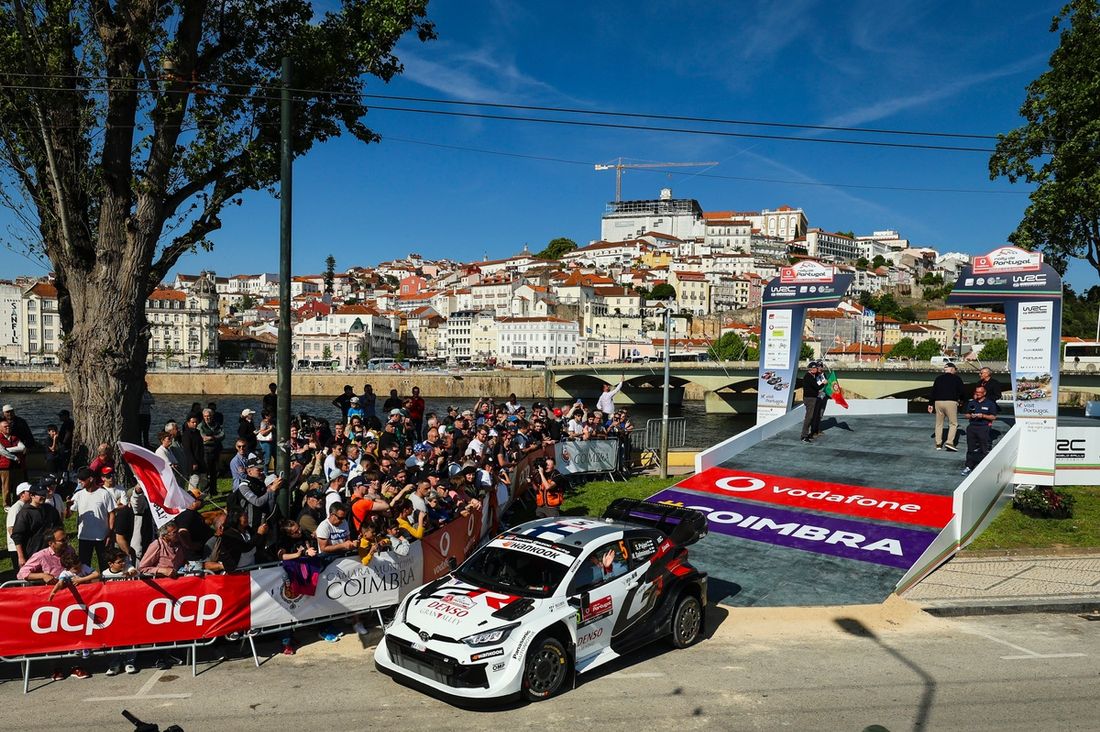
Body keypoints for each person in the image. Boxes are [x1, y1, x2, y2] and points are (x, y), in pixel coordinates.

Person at [70, 467, 115, 570]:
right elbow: (68, 515)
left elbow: (111, 513)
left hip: (102, 537)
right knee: (84, 567)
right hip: (84, 537)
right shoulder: (78, 495)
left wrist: (110, 532)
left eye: (82, 480)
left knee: (105, 565)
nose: (80, 482)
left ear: (90, 479)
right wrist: (68, 507)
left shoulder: (104, 494)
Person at [12, 482, 63, 566]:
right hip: (32, 555)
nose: (43, 497)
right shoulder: (25, 513)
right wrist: (21, 557)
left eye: (44, 494)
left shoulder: (51, 510)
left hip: (51, 553)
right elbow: (17, 536)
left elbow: (59, 528)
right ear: (32, 495)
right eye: (40, 495)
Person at [961, 385, 999, 476]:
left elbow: (993, 417)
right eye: (976, 392)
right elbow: (966, 415)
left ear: (984, 393)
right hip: (972, 427)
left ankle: (983, 467)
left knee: (984, 448)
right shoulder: (972, 402)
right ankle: (969, 466)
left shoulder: (990, 403)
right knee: (970, 448)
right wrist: (971, 416)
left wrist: (983, 416)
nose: (977, 394)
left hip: (983, 427)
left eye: (979, 392)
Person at [927, 362, 965, 451]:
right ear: (952, 369)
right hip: (951, 402)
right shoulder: (957, 378)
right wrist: (962, 400)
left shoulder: (938, 379)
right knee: (953, 423)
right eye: (955, 369)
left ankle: (938, 444)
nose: (956, 371)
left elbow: (933, 391)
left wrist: (930, 404)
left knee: (939, 423)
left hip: (938, 402)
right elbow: (962, 391)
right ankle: (949, 442)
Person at [0, 417, 27, 507]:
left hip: (17, 466)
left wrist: (7, 449)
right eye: (5, 426)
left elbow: (22, 448)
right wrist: (14, 457)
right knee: (6, 487)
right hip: (5, 467)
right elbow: (1, 451)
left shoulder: (15, 438)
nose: (8, 428)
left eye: (9, 426)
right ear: (0, 429)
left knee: (18, 486)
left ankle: (17, 503)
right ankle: (6, 505)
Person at [199, 408, 225, 492]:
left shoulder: (217, 424)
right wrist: (215, 437)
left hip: (216, 450)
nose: (207, 418)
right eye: (205, 416)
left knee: (215, 471)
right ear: (203, 416)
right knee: (205, 472)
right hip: (205, 451)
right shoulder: (200, 426)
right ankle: (204, 491)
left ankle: (213, 490)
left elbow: (222, 435)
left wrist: (212, 437)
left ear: (212, 416)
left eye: (209, 416)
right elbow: (203, 438)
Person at [5, 481, 31, 568]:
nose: (32, 493)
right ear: (22, 494)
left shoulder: (25, 506)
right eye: (29, 491)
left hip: (24, 546)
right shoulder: (16, 508)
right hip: (16, 548)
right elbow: (11, 529)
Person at [800, 361, 825, 444]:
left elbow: (819, 374)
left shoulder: (812, 376)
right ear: (810, 369)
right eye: (813, 368)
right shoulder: (808, 377)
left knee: (811, 417)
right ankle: (804, 436)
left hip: (812, 398)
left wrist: (821, 372)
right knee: (809, 417)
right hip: (810, 399)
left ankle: (808, 434)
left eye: (816, 368)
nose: (815, 369)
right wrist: (823, 383)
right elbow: (817, 387)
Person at [139, 382, 155, 447]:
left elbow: (153, 401)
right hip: (141, 414)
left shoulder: (148, 393)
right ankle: (140, 443)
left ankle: (146, 444)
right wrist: (148, 401)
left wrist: (147, 401)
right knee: (140, 430)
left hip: (147, 414)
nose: (146, 387)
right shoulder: (140, 393)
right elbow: (142, 401)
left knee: (146, 430)